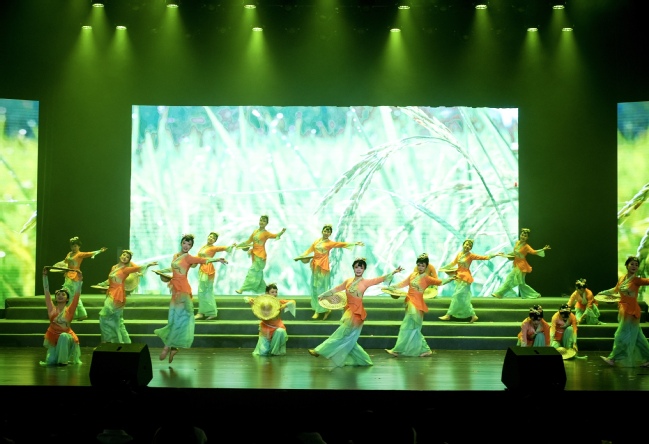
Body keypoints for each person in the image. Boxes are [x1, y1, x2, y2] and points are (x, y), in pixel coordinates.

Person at [308, 258, 403, 367]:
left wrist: (394, 272)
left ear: (364, 269)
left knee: (341, 334)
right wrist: (323, 295)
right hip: (349, 312)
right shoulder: (348, 281)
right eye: (356, 267)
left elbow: (380, 279)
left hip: (357, 315)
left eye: (361, 268)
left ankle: (318, 351)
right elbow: (336, 289)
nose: (358, 269)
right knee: (350, 340)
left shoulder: (365, 282)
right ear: (353, 268)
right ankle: (365, 361)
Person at [154, 234, 227, 363]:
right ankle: (174, 347)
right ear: (181, 243)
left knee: (180, 319)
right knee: (173, 319)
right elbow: (173, 269)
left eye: (189, 244)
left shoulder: (189, 258)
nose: (186, 246)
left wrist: (216, 259)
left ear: (191, 246)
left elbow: (203, 260)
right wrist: (161, 272)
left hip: (183, 290)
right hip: (175, 290)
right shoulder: (176, 256)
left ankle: (167, 347)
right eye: (184, 243)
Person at [384, 254, 455, 357]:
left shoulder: (426, 277)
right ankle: (423, 349)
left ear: (426, 267)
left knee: (409, 327)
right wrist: (393, 287)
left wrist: (450, 279)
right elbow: (403, 283)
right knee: (410, 328)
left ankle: (398, 350)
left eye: (423, 265)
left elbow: (439, 282)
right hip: (410, 302)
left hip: (417, 305)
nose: (420, 267)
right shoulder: (413, 275)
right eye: (419, 265)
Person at [297, 223, 364, 320]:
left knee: (321, 289)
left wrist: (355, 243)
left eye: (328, 232)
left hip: (323, 268)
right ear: (322, 231)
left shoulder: (330, 243)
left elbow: (341, 244)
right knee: (314, 288)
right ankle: (317, 308)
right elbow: (309, 250)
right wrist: (301, 256)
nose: (326, 233)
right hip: (315, 268)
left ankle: (321, 310)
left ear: (330, 234)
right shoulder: (316, 241)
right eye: (325, 230)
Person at [96, 250, 157, 344]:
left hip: (117, 294)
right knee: (118, 320)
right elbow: (110, 280)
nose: (125, 257)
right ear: (120, 256)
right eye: (124, 255)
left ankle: (111, 340)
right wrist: (102, 284)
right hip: (111, 292)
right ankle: (125, 342)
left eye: (127, 257)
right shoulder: (114, 267)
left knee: (104, 316)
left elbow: (138, 268)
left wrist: (148, 264)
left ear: (129, 260)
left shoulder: (125, 269)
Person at [600, 256, 649, 367]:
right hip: (623, 310)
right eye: (632, 264)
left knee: (621, 335)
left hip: (631, 312)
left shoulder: (636, 280)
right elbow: (615, 290)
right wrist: (602, 293)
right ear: (627, 265)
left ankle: (613, 358)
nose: (634, 266)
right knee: (639, 338)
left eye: (636, 265)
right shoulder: (622, 278)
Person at [438, 239, 503, 323]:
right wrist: (443, 268)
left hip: (466, 279)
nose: (467, 246)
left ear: (471, 248)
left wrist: (495, 254)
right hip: (459, 278)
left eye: (470, 245)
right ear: (463, 245)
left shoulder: (471, 255)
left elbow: (484, 257)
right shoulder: (459, 254)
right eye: (466, 244)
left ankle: (449, 315)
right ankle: (471, 315)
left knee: (458, 296)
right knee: (460, 298)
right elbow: (453, 263)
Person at [56, 236, 107, 320]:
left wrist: (100, 251)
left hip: (76, 276)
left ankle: (73, 314)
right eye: (72, 246)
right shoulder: (69, 254)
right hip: (68, 275)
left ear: (79, 246)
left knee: (73, 295)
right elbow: (64, 262)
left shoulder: (79, 254)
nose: (74, 248)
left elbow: (89, 253)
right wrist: (57, 266)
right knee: (71, 295)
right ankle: (80, 314)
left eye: (75, 246)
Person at [40, 266, 83, 366]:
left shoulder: (70, 310)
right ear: (55, 298)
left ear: (67, 299)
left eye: (63, 294)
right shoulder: (51, 309)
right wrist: (45, 276)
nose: (60, 296)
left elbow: (77, 295)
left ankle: (63, 362)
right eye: (58, 294)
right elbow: (46, 291)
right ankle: (59, 357)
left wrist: (80, 279)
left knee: (63, 336)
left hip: (66, 339)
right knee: (51, 361)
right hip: (54, 338)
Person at [492, 228, 550, 299]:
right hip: (516, 264)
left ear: (527, 238)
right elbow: (514, 253)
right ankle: (535, 294)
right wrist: (506, 254)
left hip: (522, 266)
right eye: (522, 235)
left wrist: (543, 249)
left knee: (510, 278)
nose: (523, 237)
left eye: (525, 236)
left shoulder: (526, 246)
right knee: (521, 283)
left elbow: (533, 252)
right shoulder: (517, 243)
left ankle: (499, 293)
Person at [235, 215, 286, 294]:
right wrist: (238, 245)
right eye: (261, 220)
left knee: (252, 272)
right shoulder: (255, 231)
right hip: (255, 255)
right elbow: (248, 241)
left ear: (267, 223)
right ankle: (266, 290)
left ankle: (242, 289)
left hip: (261, 256)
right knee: (258, 275)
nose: (262, 222)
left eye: (264, 221)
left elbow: (275, 235)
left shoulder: (266, 233)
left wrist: (281, 232)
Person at [244, 283, 296, 356]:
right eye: (272, 292)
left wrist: (285, 305)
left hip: (277, 327)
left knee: (280, 332)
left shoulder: (278, 302)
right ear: (267, 293)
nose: (274, 294)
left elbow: (293, 301)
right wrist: (249, 300)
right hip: (266, 328)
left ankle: (275, 351)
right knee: (263, 352)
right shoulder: (262, 302)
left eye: (276, 292)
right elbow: (246, 298)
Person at [194, 232, 235, 320]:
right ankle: (203, 312)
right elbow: (198, 258)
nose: (211, 238)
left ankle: (208, 312)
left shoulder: (213, 248)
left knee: (206, 292)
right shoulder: (203, 247)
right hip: (202, 269)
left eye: (213, 238)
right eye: (210, 236)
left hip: (208, 270)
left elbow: (224, 248)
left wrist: (232, 246)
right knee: (202, 292)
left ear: (215, 241)